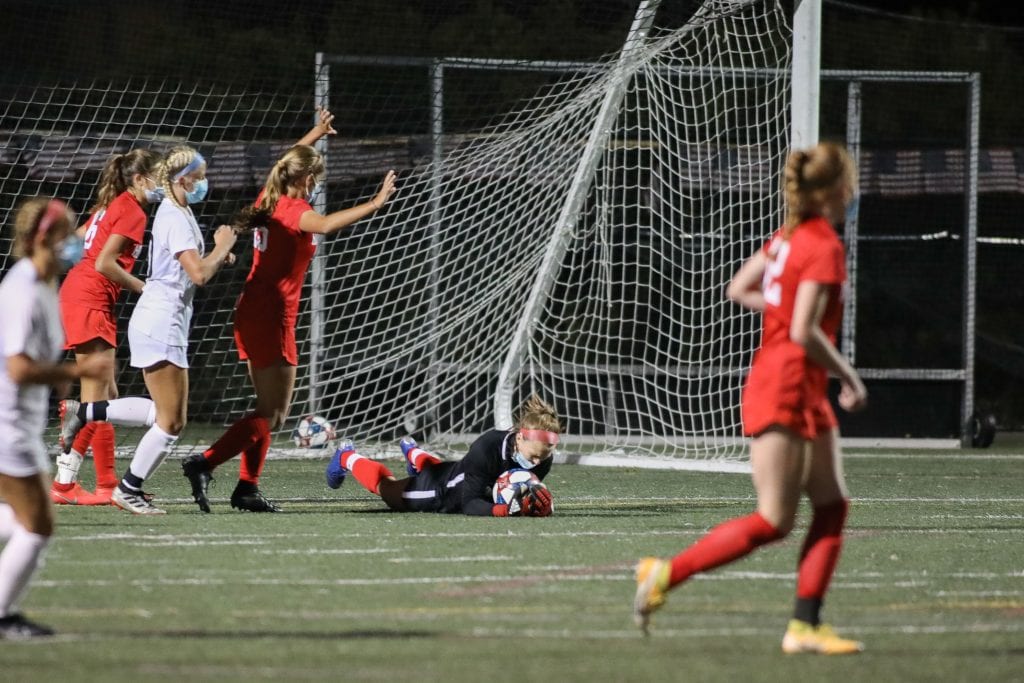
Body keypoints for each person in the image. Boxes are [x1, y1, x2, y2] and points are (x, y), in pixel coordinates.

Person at [632, 142, 868, 655]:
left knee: (832, 506)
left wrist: (783, 311)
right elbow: (804, 331)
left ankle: (805, 626)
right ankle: (666, 573)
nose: (854, 190)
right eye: (850, 181)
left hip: (799, 387)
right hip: (785, 386)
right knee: (774, 520)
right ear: (832, 191)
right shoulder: (822, 243)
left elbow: (740, 288)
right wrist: (850, 375)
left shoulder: (787, 237)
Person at [180, 109, 396, 513]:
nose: (315, 181)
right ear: (301, 178)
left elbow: (291, 158)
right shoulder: (293, 210)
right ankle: (203, 463)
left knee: (266, 409)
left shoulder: (270, 195)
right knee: (275, 415)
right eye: (312, 175)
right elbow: (328, 224)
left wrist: (316, 132)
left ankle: (246, 488)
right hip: (272, 316)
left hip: (254, 310)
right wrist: (376, 202)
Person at [99, 145, 237, 514]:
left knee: (166, 415)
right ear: (183, 178)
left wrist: (219, 254)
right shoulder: (174, 216)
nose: (205, 183)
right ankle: (127, 488)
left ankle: (87, 414)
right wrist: (222, 247)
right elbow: (199, 274)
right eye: (201, 176)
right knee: (172, 420)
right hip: (161, 321)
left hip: (161, 319)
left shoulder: (179, 210)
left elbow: (193, 267)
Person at [0, 198, 111, 638]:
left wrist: (62, 377)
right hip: (7, 425)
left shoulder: (44, 284)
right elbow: (19, 368)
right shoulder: (23, 289)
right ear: (43, 238)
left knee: (19, 515)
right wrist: (75, 371)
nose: (77, 240)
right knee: (39, 526)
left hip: (18, 421)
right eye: (67, 232)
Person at [52, 149, 163, 506]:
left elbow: (75, 243)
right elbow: (103, 262)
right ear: (139, 179)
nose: (162, 183)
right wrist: (144, 288)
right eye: (157, 176)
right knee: (96, 399)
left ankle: (100, 483)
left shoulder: (109, 205)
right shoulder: (131, 210)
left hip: (81, 295)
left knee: (106, 398)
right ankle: (71, 484)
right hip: (90, 299)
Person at [323, 395, 557, 517]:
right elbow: (469, 503)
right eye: (533, 457)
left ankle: (414, 454)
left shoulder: (543, 456)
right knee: (387, 490)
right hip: (443, 491)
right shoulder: (487, 448)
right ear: (519, 438)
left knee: (450, 472)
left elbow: (519, 489)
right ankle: (347, 457)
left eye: (541, 459)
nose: (536, 464)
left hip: (459, 474)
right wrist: (505, 510)